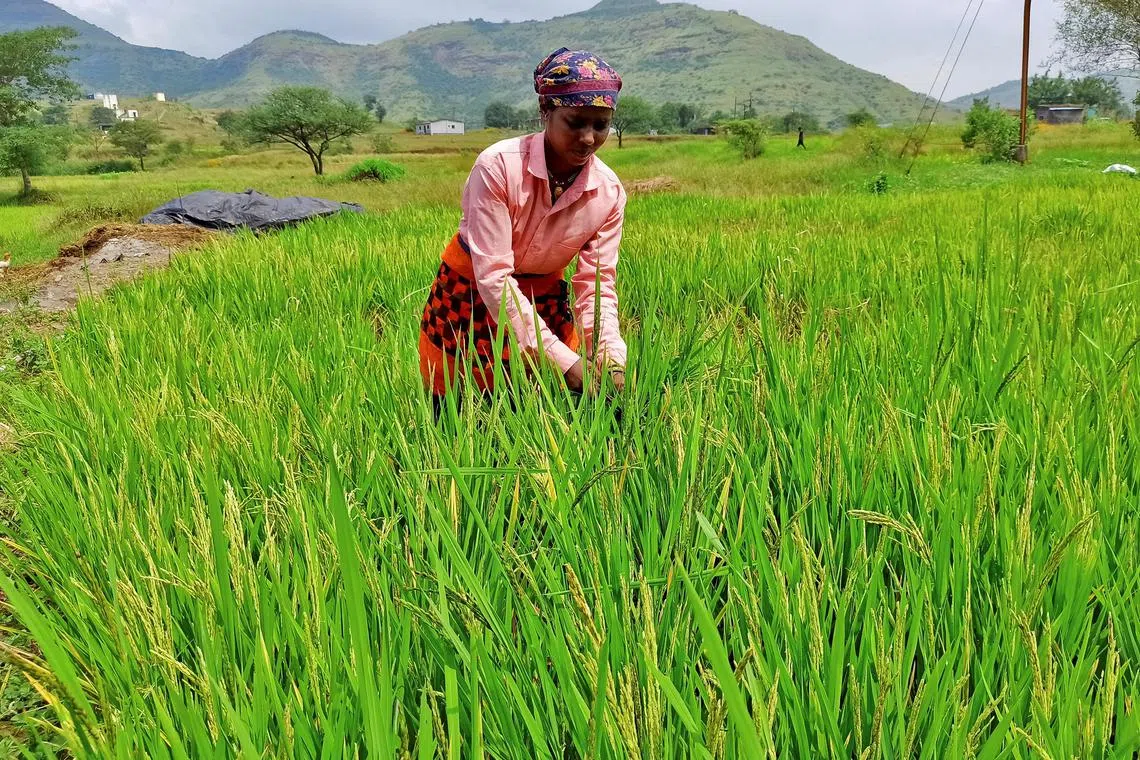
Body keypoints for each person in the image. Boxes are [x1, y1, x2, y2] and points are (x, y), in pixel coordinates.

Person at [419, 48, 628, 411]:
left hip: (543, 299)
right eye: (575, 122)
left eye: (601, 125)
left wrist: (610, 356)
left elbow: (596, 285)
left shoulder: (608, 193)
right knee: (457, 408)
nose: (589, 139)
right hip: (470, 295)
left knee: (538, 408)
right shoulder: (498, 167)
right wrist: (565, 360)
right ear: (545, 112)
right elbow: (495, 277)